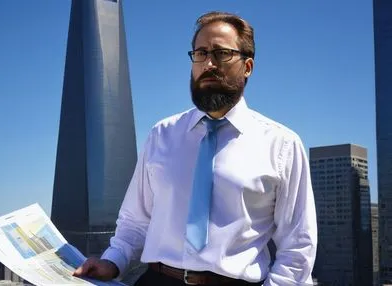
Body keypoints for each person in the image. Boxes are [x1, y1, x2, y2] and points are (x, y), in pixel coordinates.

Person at [74, 11, 317, 286]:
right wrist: (112, 261)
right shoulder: (162, 134)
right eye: (200, 53)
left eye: (222, 53)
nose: (209, 63)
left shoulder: (282, 145)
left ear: (247, 66)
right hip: (157, 280)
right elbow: (135, 221)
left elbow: (298, 245)